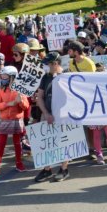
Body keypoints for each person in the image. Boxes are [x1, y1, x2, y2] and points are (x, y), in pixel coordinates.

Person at [34, 52, 70, 182]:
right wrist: (46, 113)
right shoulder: (45, 77)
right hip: (48, 114)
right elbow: (40, 97)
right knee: (46, 142)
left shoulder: (67, 75)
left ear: (55, 63)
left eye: (48, 64)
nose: (47, 67)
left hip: (63, 116)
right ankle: (47, 169)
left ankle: (64, 169)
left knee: (64, 141)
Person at [0, 66, 29, 177]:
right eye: (1, 76)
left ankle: (19, 163)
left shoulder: (20, 89)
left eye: (5, 76)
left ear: (12, 77)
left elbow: (26, 106)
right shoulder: (0, 90)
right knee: (1, 143)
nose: (2, 78)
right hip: (5, 119)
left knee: (17, 143)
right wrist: (9, 104)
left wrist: (21, 102)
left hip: (17, 119)